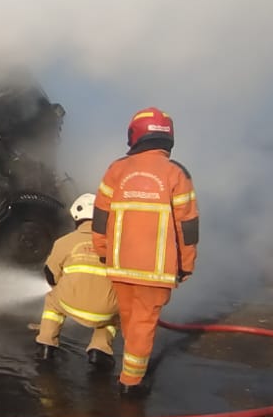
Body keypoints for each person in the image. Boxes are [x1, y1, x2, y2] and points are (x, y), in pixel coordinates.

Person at [92, 106, 199, 396]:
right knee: (142, 325)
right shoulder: (177, 174)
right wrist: (186, 265)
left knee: (129, 321)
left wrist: (102, 252)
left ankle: (127, 367)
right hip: (156, 273)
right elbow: (187, 228)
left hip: (118, 266)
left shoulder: (116, 170)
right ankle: (130, 383)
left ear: (135, 135)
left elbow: (100, 217)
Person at [36, 192, 119, 366]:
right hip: (104, 311)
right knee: (117, 314)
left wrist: (60, 286)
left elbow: (50, 274)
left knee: (52, 301)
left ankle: (46, 345)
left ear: (76, 217)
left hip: (69, 304)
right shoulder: (117, 244)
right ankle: (99, 349)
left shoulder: (64, 242)